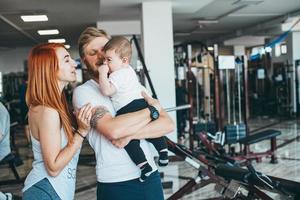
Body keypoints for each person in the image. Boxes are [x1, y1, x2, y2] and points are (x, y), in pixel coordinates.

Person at [73, 27, 174, 200]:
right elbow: (113, 131)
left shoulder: (130, 84)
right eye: (93, 52)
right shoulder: (84, 92)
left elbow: (167, 124)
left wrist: (128, 136)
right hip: (116, 182)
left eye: (105, 49)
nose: (101, 56)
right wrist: (152, 110)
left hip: (151, 177)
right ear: (84, 60)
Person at [22, 43, 93, 200]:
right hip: (45, 191)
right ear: (50, 68)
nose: (74, 63)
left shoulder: (55, 106)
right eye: (67, 60)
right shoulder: (48, 111)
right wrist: (81, 132)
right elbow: (53, 167)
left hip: (54, 191)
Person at [98, 36, 168, 182]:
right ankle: (163, 151)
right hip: (141, 103)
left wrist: (102, 73)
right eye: (104, 59)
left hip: (127, 108)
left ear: (124, 61)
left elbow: (107, 91)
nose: (105, 63)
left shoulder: (118, 74)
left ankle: (144, 166)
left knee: (129, 141)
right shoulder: (129, 71)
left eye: (109, 60)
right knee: (150, 128)